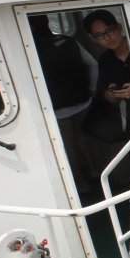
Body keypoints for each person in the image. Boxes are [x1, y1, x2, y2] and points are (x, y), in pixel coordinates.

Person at [82, 10, 130, 188]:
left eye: (109, 31)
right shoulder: (105, 60)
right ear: (93, 39)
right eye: (99, 35)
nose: (107, 38)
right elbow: (104, 93)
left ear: (118, 27)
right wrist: (111, 96)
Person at [29, 14, 98, 194]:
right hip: (83, 102)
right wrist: (91, 89)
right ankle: (93, 171)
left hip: (57, 111)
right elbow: (93, 64)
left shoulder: (30, 49)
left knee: (69, 148)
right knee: (80, 139)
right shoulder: (69, 41)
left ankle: (81, 185)